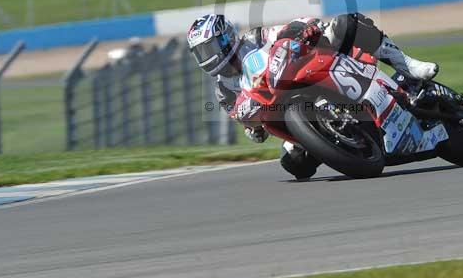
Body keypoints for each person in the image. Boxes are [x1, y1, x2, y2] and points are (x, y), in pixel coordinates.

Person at [186, 13, 439, 178]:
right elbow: (246, 122)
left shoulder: (255, 38)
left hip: (306, 69)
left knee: (344, 24)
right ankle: (344, 144)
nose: (208, 57)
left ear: (226, 38)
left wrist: (307, 29)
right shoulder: (223, 89)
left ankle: (407, 65)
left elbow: (290, 27)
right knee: (293, 164)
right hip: (281, 109)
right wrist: (253, 128)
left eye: (209, 48)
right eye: (200, 53)